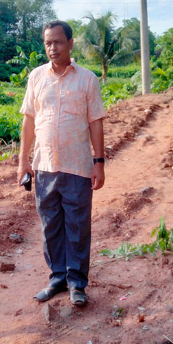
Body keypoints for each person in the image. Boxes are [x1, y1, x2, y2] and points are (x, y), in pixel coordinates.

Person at [17, 20, 106, 307]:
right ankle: (57, 278)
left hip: (77, 165)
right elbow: (29, 121)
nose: (52, 48)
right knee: (50, 226)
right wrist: (23, 162)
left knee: (78, 226)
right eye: (47, 43)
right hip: (44, 166)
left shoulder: (87, 79)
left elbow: (95, 122)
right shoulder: (36, 77)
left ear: (69, 43)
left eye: (57, 42)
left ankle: (77, 283)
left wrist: (99, 162)